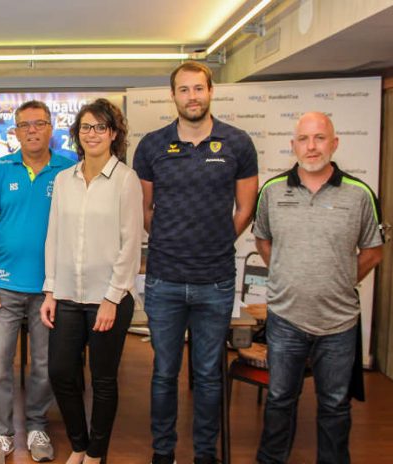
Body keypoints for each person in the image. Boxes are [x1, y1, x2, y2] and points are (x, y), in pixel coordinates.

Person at [132, 61, 259, 464]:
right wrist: (172, 239)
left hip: (215, 281)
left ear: (211, 92)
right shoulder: (152, 145)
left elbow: (245, 208)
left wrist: (217, 240)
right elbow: (145, 209)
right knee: (164, 374)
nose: (192, 97)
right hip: (164, 279)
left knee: (207, 375)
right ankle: (163, 452)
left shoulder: (237, 143)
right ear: (173, 96)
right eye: (184, 90)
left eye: (198, 89)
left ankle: (206, 454)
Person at [254, 112, 384, 464]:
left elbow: (373, 251)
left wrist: (338, 279)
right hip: (285, 319)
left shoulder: (359, 194)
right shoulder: (272, 190)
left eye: (320, 138)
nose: (311, 147)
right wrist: (290, 274)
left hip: (339, 324)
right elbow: (263, 241)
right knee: (280, 400)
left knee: (335, 406)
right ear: (293, 145)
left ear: (334, 142)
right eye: (304, 139)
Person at [40, 99, 143, 464]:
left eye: (101, 127)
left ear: (114, 134)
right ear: (77, 134)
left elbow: (131, 244)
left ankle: (96, 453)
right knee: (61, 373)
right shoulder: (63, 179)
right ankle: (79, 444)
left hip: (108, 298)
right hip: (67, 294)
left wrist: (112, 298)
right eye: (86, 127)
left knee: (102, 380)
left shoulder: (125, 179)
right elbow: (54, 236)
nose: (93, 134)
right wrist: (50, 290)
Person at [0, 100, 76, 464]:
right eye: (24, 125)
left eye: (39, 123)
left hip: (51, 289)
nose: (32, 130)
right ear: (14, 132)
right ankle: (1, 435)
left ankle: (36, 427)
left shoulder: (69, 170)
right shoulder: (0, 169)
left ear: (52, 129)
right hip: (2, 286)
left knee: (44, 365)